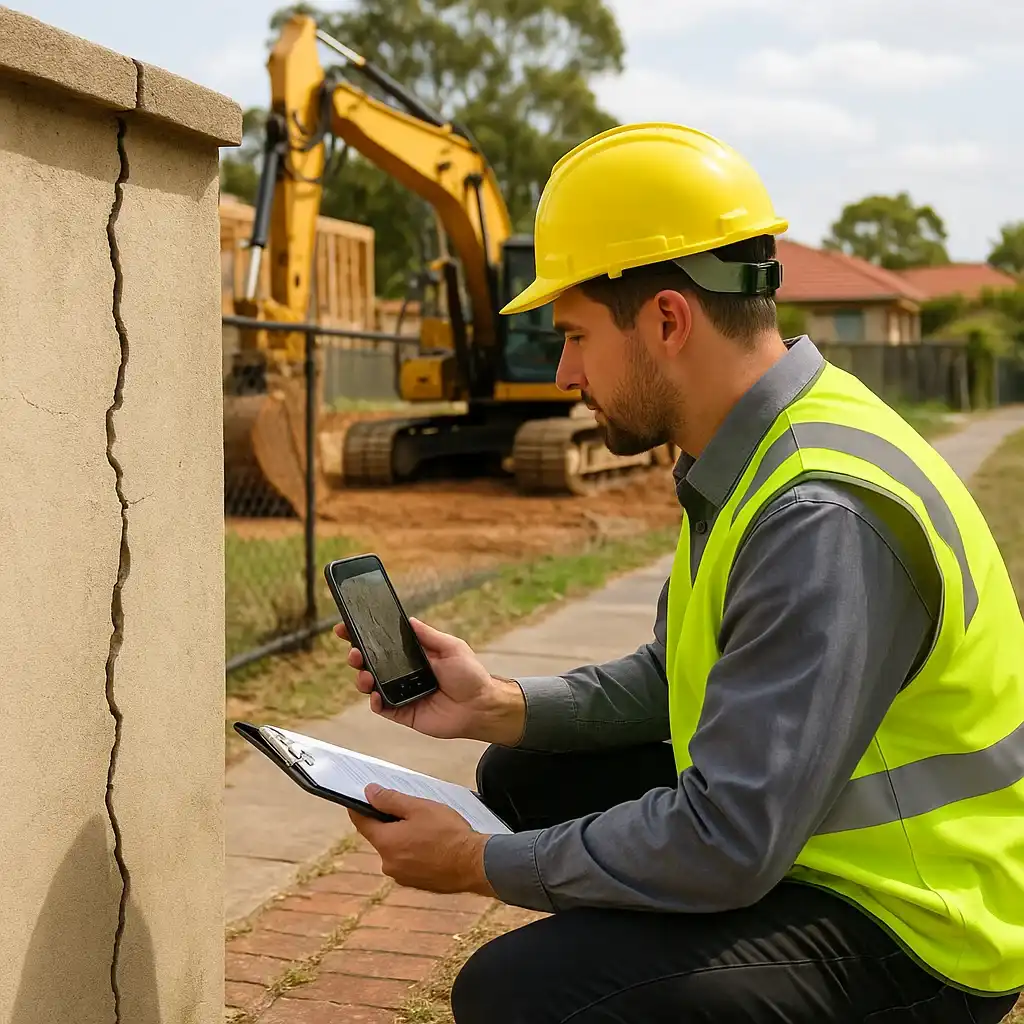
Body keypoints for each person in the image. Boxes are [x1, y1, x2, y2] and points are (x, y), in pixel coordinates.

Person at [336, 122, 1024, 1023]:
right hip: (807, 841)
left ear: (667, 319)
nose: (566, 370)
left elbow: (730, 838)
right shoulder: (759, 448)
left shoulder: (816, 513)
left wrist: (475, 863)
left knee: (517, 996)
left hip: (920, 927)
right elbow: (681, 677)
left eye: (577, 335)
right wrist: (498, 702)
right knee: (522, 774)